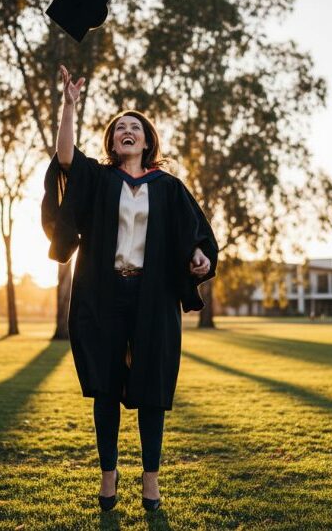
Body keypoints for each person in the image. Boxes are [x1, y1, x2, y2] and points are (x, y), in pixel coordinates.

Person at [41, 65, 218, 512]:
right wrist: (68, 107)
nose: (127, 130)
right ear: (112, 141)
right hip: (104, 292)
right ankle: (108, 475)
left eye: (134, 127)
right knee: (105, 386)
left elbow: (195, 236)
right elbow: (65, 159)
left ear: (147, 140)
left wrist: (200, 258)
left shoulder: (168, 187)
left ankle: (152, 480)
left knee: (152, 385)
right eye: (120, 127)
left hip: (152, 296)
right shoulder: (100, 179)